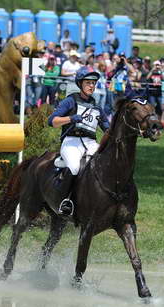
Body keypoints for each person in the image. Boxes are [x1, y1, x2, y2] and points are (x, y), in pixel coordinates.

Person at [47, 67, 109, 215]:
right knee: (75, 167)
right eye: (88, 83)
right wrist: (70, 118)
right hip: (71, 142)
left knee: (103, 165)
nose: (91, 86)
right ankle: (66, 201)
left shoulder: (97, 107)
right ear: (80, 84)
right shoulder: (70, 101)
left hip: (91, 143)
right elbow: (52, 121)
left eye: (93, 83)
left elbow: (107, 127)